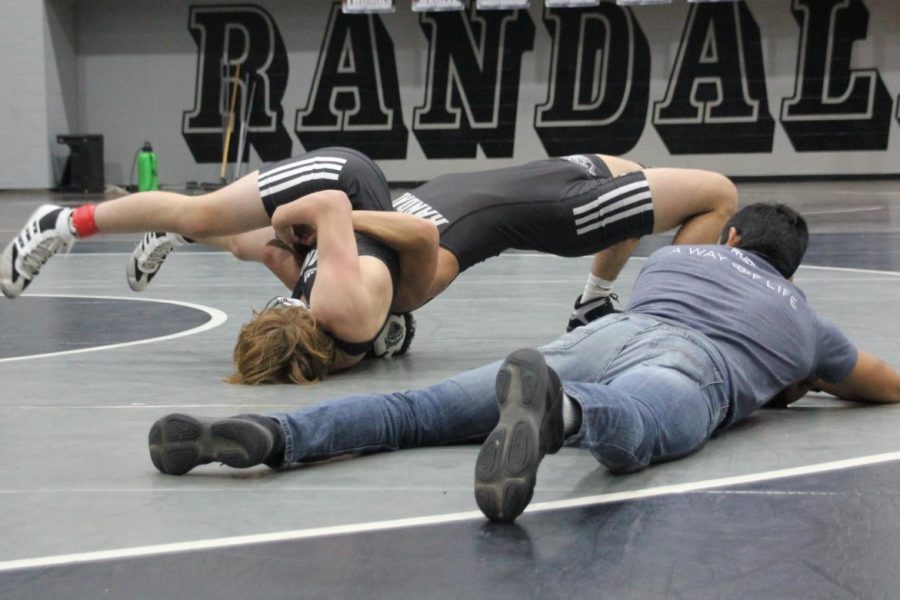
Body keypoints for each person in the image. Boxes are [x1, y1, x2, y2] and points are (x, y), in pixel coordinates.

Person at [145, 203, 900, 523]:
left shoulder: (682, 262)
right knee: (643, 423)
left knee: (418, 412)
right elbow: (883, 385)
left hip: (604, 335)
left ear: (732, 239)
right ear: (787, 269)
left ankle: (272, 432)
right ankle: (559, 413)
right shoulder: (804, 321)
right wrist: (800, 374)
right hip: (693, 363)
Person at [126, 153, 737, 382]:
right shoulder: (319, 277)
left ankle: (617, 312)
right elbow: (252, 244)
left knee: (696, 193)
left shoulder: (392, 294)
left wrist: (345, 223)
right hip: (539, 197)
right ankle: (626, 307)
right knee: (712, 195)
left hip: (537, 198)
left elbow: (255, 244)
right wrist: (194, 225)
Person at [0, 147, 431, 381]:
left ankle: (173, 233)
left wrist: (286, 238)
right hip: (340, 180)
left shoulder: (336, 332)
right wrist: (282, 218)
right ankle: (63, 223)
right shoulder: (337, 310)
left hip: (347, 225)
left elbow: (268, 251)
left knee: (246, 246)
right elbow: (334, 204)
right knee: (199, 212)